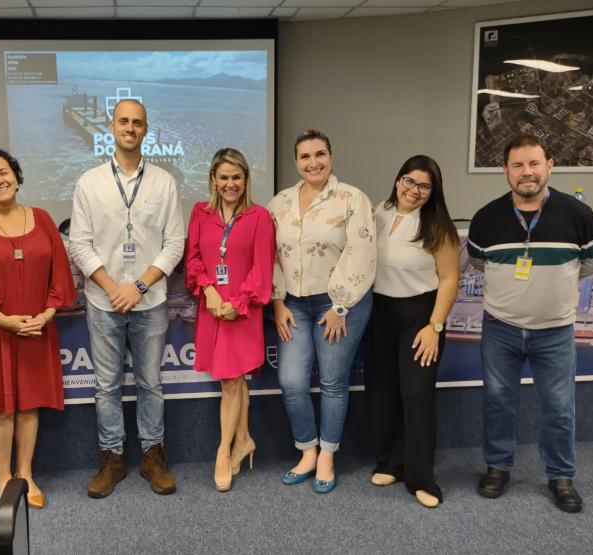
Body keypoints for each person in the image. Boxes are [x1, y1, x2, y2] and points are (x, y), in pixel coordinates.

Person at [468, 135, 593, 513]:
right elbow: (481, 263)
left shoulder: (578, 215)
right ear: (505, 171)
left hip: (555, 331)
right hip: (501, 329)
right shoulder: (486, 218)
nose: (526, 172)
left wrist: (556, 288)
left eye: (533, 164)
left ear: (550, 165)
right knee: (498, 403)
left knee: (559, 407)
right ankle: (498, 468)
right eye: (517, 165)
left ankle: (561, 476)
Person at [69, 99, 185, 498]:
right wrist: (111, 286)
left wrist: (136, 286)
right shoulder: (89, 182)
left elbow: (174, 244)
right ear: (111, 126)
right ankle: (113, 457)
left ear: (146, 129)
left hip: (149, 300)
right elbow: (80, 244)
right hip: (104, 302)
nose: (130, 127)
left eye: (137, 122)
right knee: (106, 386)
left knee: (151, 383)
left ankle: (153, 456)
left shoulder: (165, 182)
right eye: (123, 121)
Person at [0, 147, 76, 509]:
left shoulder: (42, 218)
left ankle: (25, 473)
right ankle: (3, 476)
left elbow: (61, 276)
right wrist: (1, 318)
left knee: (29, 405)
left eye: (3, 172)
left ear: (16, 175)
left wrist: (48, 314)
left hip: (36, 329)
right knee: (1, 408)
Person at [267, 129, 376, 494]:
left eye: (320, 154)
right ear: (295, 161)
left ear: (331, 156)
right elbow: (271, 256)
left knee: (332, 381)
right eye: (305, 156)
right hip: (293, 304)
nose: (313, 162)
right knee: (292, 381)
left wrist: (341, 305)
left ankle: (327, 455)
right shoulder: (279, 203)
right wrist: (278, 301)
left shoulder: (351, 199)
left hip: (338, 304)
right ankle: (307, 451)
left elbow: (362, 253)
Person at [365, 155, 459, 508]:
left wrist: (435, 327)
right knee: (383, 389)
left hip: (421, 314)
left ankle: (422, 478)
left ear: (433, 191)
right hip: (381, 312)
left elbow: (450, 278)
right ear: (397, 180)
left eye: (423, 185)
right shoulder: (377, 214)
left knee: (417, 393)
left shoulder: (438, 226)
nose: (413, 190)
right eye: (408, 180)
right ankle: (391, 462)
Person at [185, 148, 275, 491]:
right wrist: (208, 292)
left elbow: (262, 270)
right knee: (234, 381)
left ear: (246, 179)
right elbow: (193, 259)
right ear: (213, 179)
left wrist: (237, 303)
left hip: (242, 312)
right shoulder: (199, 212)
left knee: (232, 383)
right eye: (223, 177)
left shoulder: (259, 217)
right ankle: (244, 441)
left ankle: (223, 452)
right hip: (212, 310)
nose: (230, 184)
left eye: (236, 177)